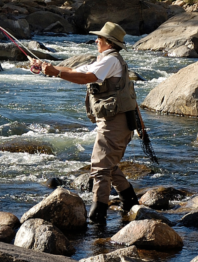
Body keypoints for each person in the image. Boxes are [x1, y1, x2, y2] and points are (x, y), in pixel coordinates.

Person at [31, 22, 140, 223]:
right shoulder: (105, 60)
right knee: (108, 164)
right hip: (115, 122)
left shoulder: (111, 61)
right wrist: (51, 68)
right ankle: (130, 201)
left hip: (115, 124)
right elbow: (76, 69)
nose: (96, 40)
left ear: (109, 43)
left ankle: (98, 216)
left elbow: (87, 77)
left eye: (100, 38)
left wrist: (57, 73)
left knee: (100, 168)